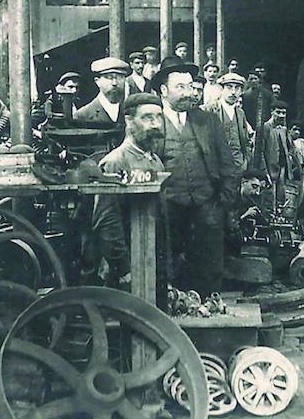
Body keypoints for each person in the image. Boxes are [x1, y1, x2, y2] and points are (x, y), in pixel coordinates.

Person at [153, 56, 237, 295]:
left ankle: (207, 308)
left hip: (206, 204)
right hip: (167, 206)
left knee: (209, 264)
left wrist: (223, 202)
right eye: (181, 87)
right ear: (163, 90)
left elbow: (227, 163)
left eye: (190, 87)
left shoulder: (207, 120)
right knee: (166, 262)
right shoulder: (152, 121)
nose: (189, 93)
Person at [90, 93, 166, 289]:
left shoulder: (155, 161)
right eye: (148, 117)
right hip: (129, 270)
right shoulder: (115, 162)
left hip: (150, 266)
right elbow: (106, 221)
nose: (156, 124)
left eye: (159, 117)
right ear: (129, 120)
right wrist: (123, 268)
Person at [253, 100, 302, 213]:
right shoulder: (264, 127)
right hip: (269, 169)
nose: (281, 115)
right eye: (278, 112)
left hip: (282, 169)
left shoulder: (284, 129)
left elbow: (291, 148)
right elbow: (259, 151)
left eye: (283, 113)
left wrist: (290, 158)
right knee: (268, 197)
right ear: (272, 112)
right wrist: (264, 171)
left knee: (281, 196)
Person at [204, 72, 253, 173]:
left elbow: (246, 140)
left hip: (238, 167)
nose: (233, 92)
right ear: (221, 89)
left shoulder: (240, 113)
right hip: (217, 167)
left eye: (237, 88)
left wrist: (245, 161)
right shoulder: (210, 109)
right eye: (229, 87)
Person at [75, 57, 129, 125]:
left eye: (120, 77)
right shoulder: (82, 115)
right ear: (97, 81)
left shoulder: (130, 113)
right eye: (109, 77)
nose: (114, 83)